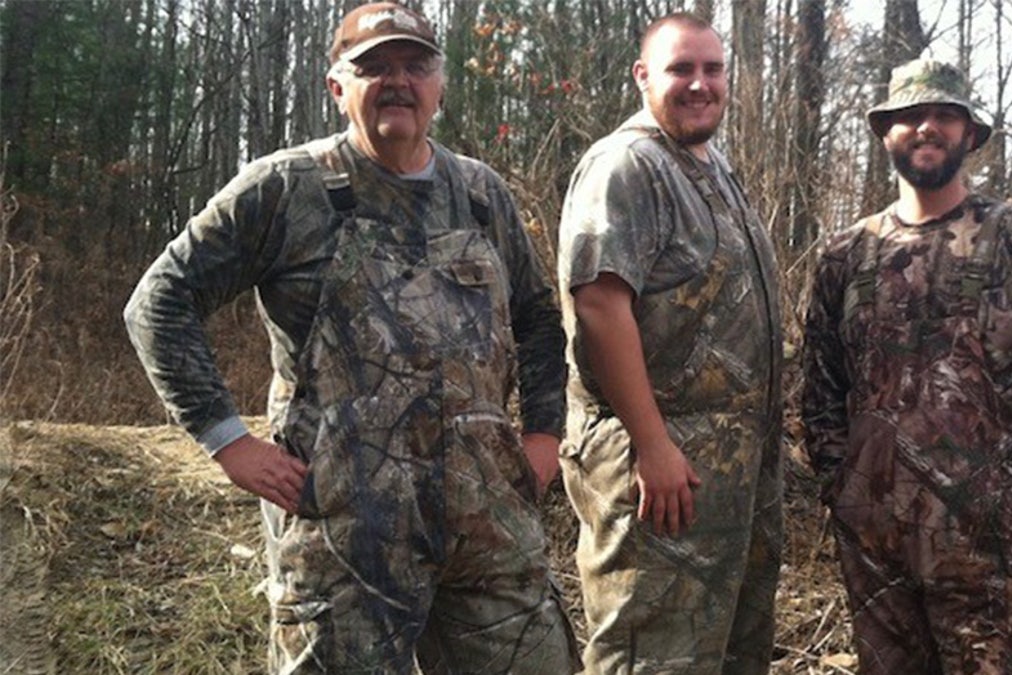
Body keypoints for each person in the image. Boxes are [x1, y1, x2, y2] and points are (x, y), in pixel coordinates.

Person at [123, 3, 579, 673]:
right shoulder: (285, 189)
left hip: (487, 531)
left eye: (414, 65)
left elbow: (540, 319)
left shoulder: (481, 193)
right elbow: (159, 301)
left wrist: (545, 434)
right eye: (373, 67)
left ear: (440, 84)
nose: (398, 81)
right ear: (337, 87)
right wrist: (229, 440)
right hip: (343, 540)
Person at [801, 58, 1012, 674]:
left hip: (993, 551)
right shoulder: (846, 255)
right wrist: (845, 490)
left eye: (944, 115)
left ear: (969, 133)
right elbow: (820, 387)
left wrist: (1008, 498)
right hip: (878, 550)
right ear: (886, 132)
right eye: (910, 116)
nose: (926, 127)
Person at [556, 12, 783, 675]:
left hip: (731, 482)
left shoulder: (713, 170)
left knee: (732, 653)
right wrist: (651, 442)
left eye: (712, 69)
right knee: (652, 657)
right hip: (658, 474)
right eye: (681, 68)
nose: (700, 84)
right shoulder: (628, 164)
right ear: (642, 76)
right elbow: (599, 302)